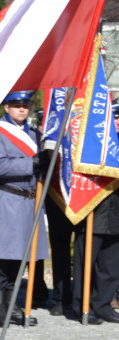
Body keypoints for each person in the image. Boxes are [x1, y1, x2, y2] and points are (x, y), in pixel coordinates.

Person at [0, 91, 48, 328]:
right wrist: (33, 163)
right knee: (3, 256)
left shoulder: (35, 134)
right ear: (7, 108)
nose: (22, 109)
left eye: (25, 105)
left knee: (21, 257)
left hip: (29, 200)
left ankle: (12, 304)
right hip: (7, 197)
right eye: (16, 105)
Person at [71, 103, 119, 324]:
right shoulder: (94, 145)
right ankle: (82, 305)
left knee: (110, 264)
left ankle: (102, 305)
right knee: (85, 263)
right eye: (116, 119)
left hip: (116, 215)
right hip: (94, 211)